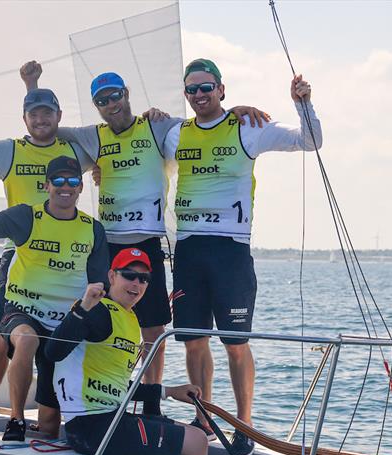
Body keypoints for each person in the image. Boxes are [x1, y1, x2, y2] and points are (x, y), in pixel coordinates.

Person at [20, 61, 268, 416]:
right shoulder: (94, 136)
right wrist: (33, 84)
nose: (111, 104)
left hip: (148, 244)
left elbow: (206, 121)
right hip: (108, 245)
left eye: (116, 95)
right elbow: (45, 125)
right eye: (103, 100)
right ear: (97, 106)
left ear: (126, 95)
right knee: (93, 319)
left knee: (153, 328)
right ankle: (94, 397)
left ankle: (151, 404)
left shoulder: (157, 125)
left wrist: (236, 112)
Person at [162, 58, 323, 455]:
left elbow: (310, 141)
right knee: (193, 341)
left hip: (230, 250)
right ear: (186, 95)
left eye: (207, 87)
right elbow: (138, 148)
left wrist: (302, 103)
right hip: (189, 249)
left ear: (221, 89)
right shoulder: (175, 134)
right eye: (192, 89)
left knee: (235, 342)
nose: (199, 95)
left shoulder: (247, 126)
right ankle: (203, 415)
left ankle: (244, 422)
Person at [0, 88, 92, 433]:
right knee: (1, 335)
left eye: (47, 113)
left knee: (52, 337)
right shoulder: (11, 149)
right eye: (33, 114)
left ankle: (57, 413)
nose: (41, 120)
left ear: (58, 115)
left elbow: (108, 157)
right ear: (24, 118)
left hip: (65, 252)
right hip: (19, 249)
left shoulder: (73, 151)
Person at [0, 155, 108, 441]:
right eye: (59, 181)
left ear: (80, 188)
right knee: (26, 341)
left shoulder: (93, 229)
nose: (66, 187)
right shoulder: (25, 216)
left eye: (72, 181)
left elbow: (100, 284)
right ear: (46, 185)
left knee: (51, 424)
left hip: (64, 324)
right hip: (23, 311)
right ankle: (15, 419)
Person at [44, 248, 208, 455]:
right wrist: (83, 307)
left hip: (108, 419)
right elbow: (53, 352)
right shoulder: (98, 311)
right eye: (129, 275)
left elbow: (118, 386)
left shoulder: (129, 318)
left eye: (144, 279)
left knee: (191, 436)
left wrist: (169, 391)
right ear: (112, 276)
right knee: (197, 441)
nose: (136, 284)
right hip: (91, 426)